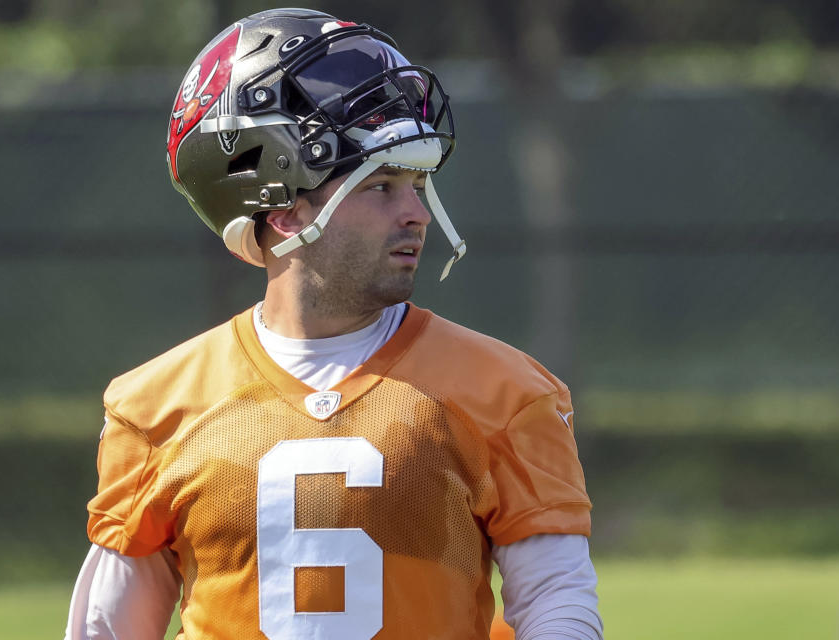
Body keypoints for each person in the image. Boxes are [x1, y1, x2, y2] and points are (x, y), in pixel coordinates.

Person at [65, 8, 602, 640]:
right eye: (381, 187)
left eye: (418, 183)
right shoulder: (156, 407)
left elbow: (557, 603)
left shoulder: (506, 393)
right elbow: (108, 627)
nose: (417, 213)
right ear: (285, 209)